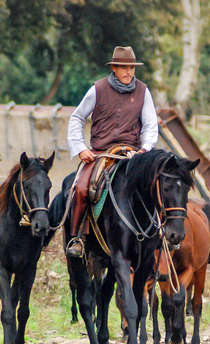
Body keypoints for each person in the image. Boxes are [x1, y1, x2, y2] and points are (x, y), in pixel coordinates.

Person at [65, 46, 159, 257]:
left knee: (158, 186)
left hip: (132, 155)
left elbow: (151, 125)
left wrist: (144, 149)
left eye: (131, 68)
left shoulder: (143, 91)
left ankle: (159, 235)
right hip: (100, 153)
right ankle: (77, 238)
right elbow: (77, 118)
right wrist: (80, 149)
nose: (128, 72)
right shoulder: (97, 89)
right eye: (123, 67)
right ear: (114, 68)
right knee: (81, 189)